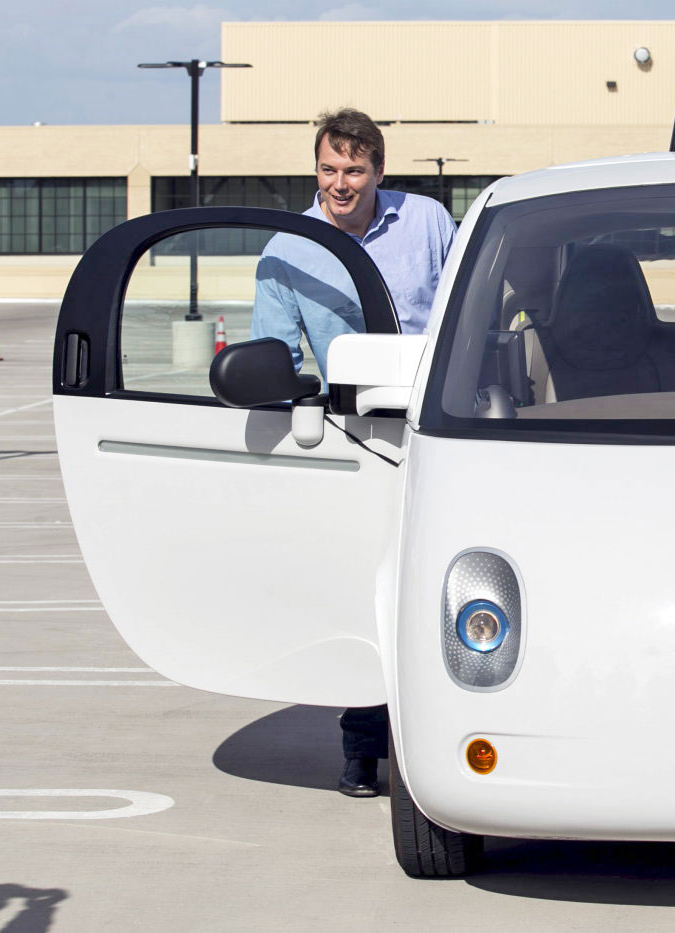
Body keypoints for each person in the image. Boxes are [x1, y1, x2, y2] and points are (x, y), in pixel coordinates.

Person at [251, 108, 456, 797]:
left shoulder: (427, 223)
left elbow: (470, 308)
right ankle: (364, 748)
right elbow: (275, 352)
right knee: (369, 591)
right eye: (329, 169)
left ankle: (445, 737)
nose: (340, 183)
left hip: (442, 427)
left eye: (355, 170)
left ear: (378, 171)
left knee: (441, 583)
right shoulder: (288, 250)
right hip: (354, 435)